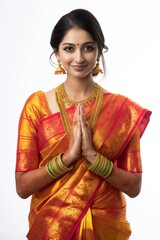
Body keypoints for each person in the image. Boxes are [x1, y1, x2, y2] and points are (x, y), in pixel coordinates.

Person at [15, 8, 152, 240]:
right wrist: (67, 158)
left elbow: (134, 186)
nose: (78, 58)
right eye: (69, 49)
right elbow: (22, 187)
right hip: (52, 226)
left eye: (88, 48)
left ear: (99, 51)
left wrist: (93, 157)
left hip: (105, 223)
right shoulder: (36, 106)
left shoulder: (122, 110)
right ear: (57, 54)